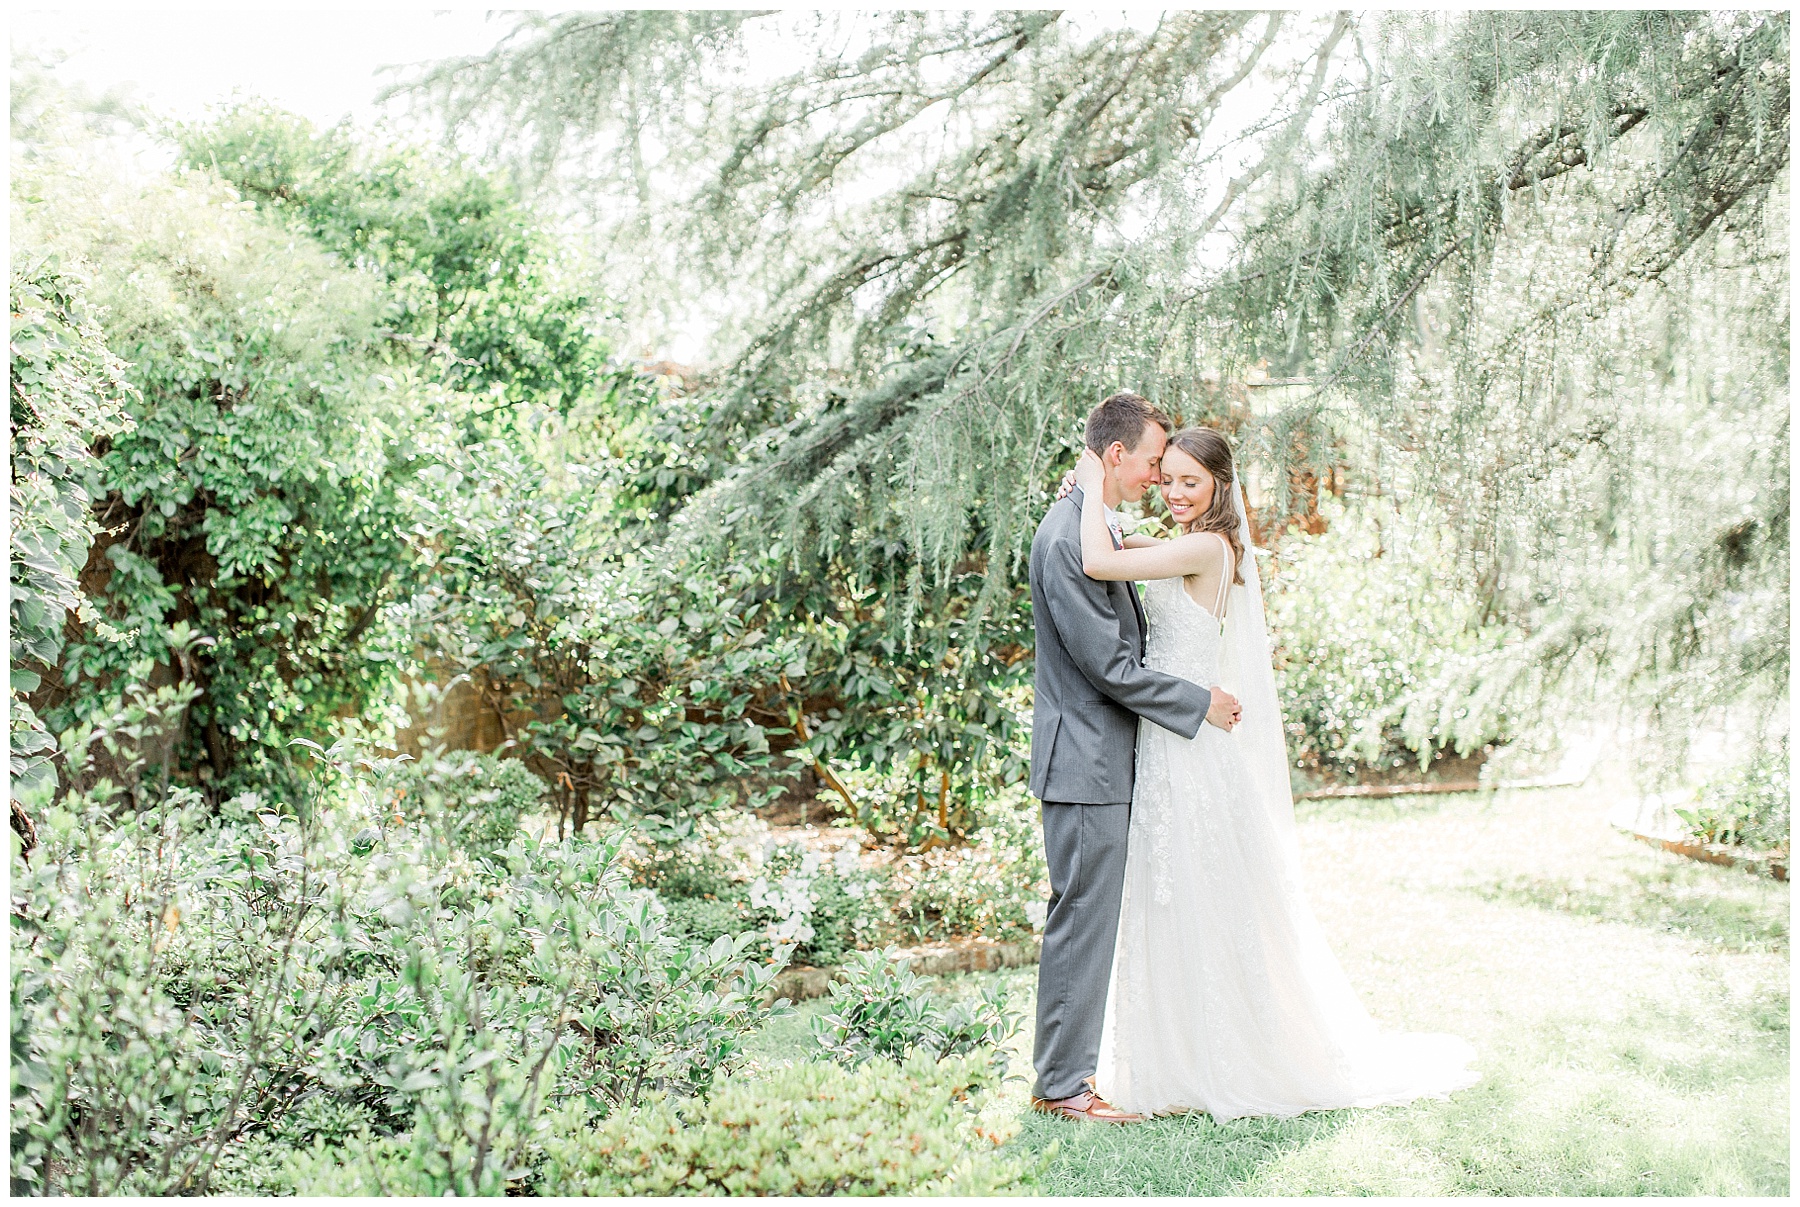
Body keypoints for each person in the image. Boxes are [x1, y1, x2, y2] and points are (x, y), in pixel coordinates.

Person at [1069, 424, 1481, 1120]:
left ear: (1220, 487)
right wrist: (1104, 511)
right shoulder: (1187, 542)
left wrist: (1087, 483)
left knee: (1201, 890)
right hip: (1175, 732)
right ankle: (1177, 1056)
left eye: (1188, 482)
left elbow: (1098, 561)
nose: (1172, 491)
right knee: (1174, 892)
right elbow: (1120, 545)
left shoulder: (1208, 545)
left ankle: (1225, 1055)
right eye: (1165, 477)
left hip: (1191, 744)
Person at [1024, 391, 1241, 1124]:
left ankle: (1068, 1078)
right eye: (1153, 462)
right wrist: (1196, 702)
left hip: (1099, 759)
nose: (1158, 476)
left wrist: (1087, 494)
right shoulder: (1065, 540)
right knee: (1081, 919)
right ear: (1115, 455)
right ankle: (1063, 1086)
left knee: (1084, 915)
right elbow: (1111, 668)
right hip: (1085, 762)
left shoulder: (1083, 522)